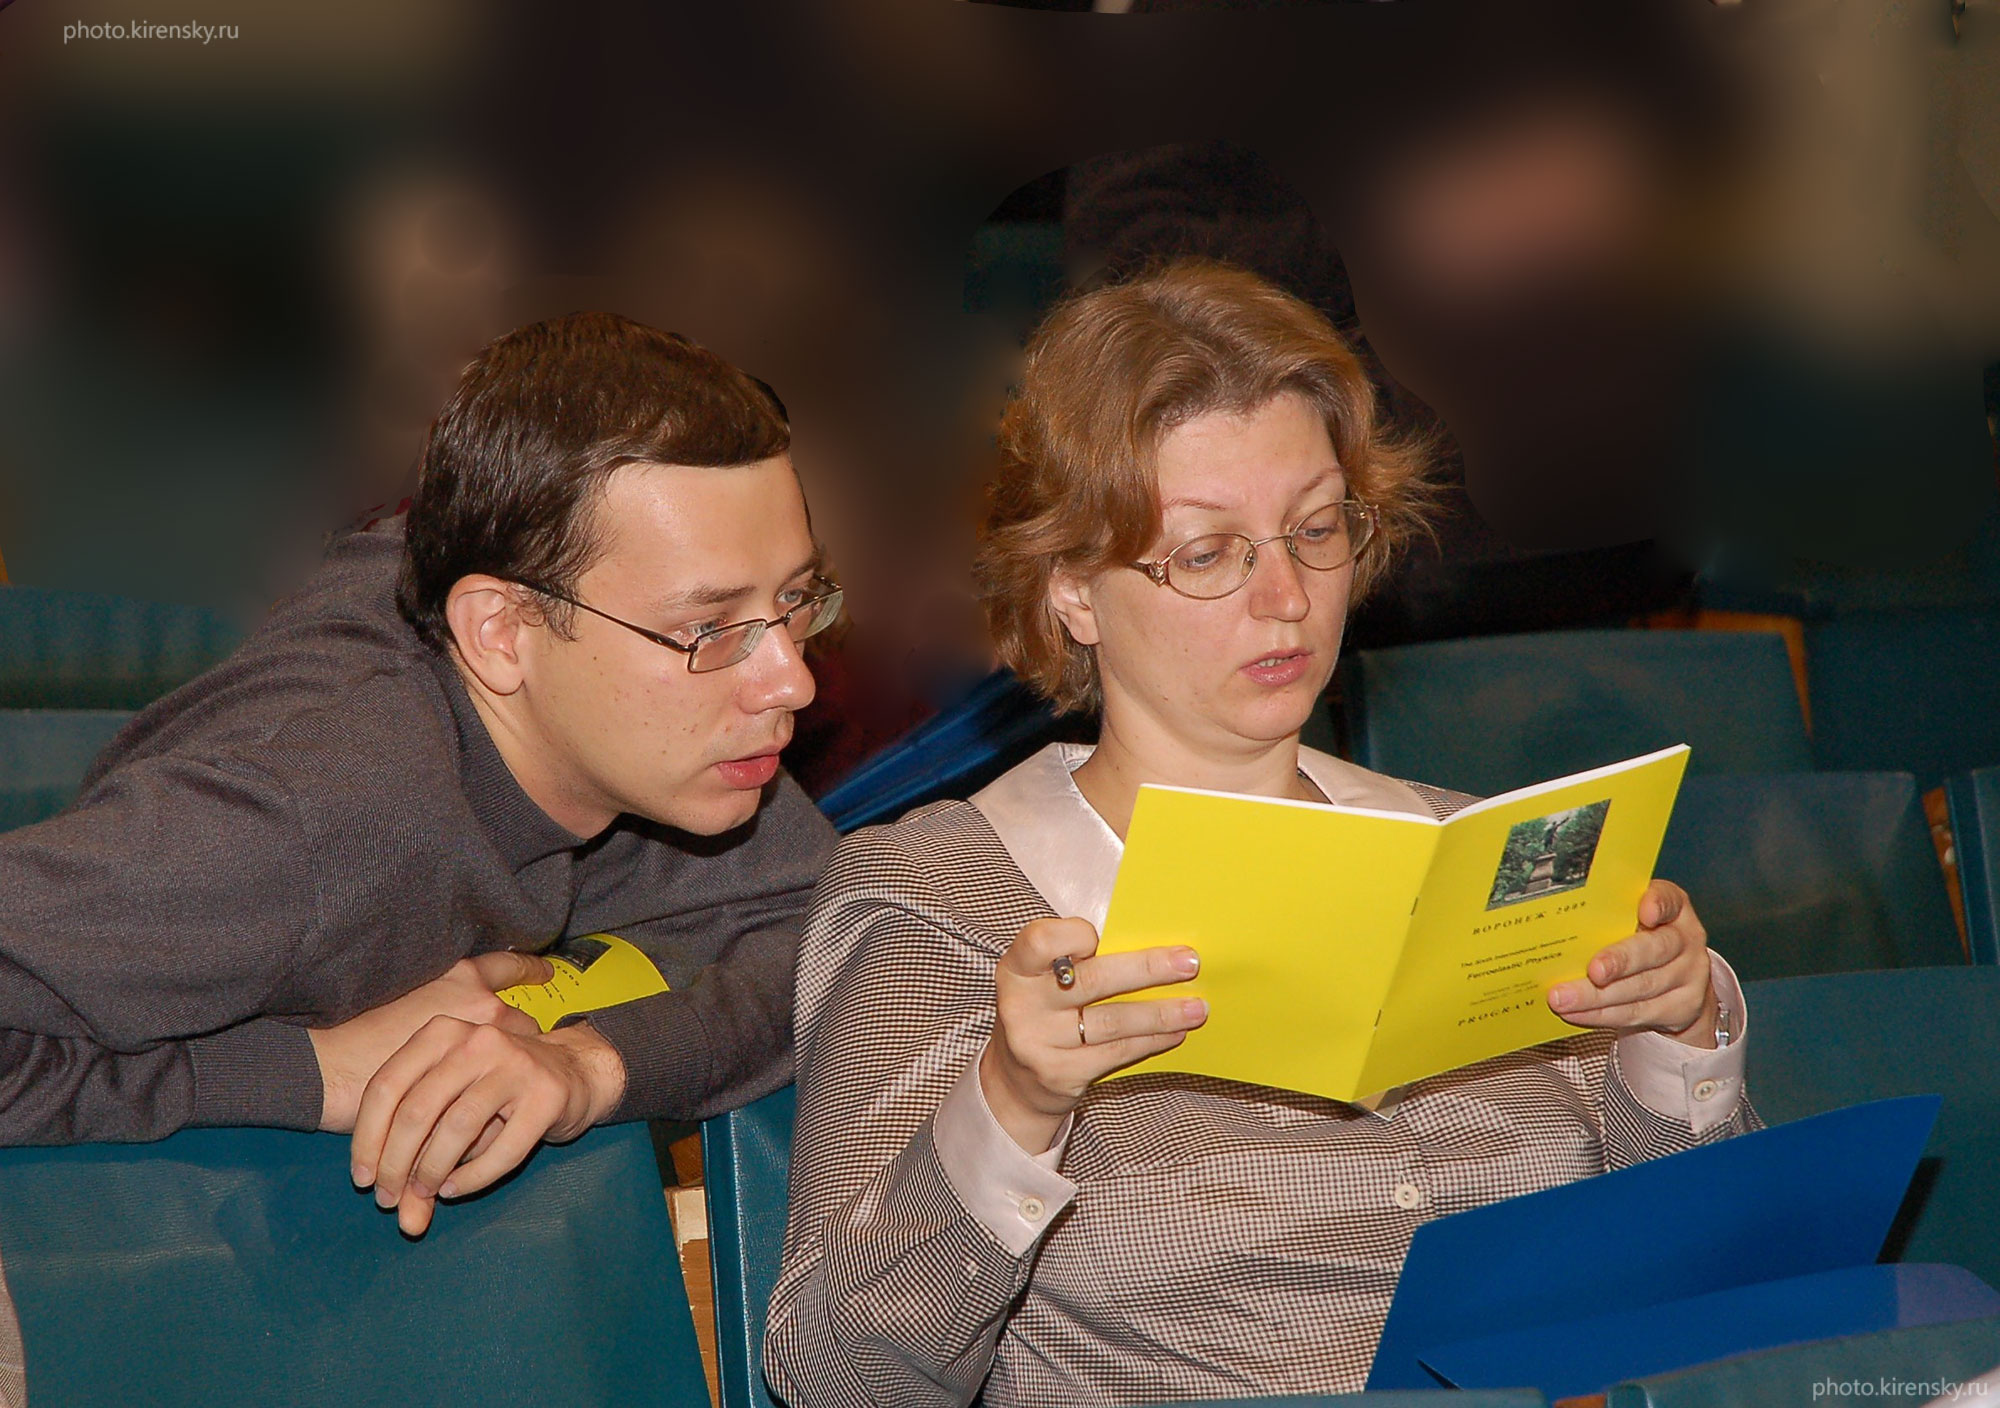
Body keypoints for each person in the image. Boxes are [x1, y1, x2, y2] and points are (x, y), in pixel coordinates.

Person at [764, 260, 1755, 1407]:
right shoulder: (935, 900)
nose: (1284, 596)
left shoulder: (1466, 848)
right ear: (1072, 588)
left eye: (1314, 528)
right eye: (1205, 552)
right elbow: (836, 1377)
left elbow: (1717, 1292)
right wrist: (1010, 1106)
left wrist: (1674, 1038)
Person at [0, 312, 841, 1404]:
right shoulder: (311, 826)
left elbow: (849, 940)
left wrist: (590, 1065)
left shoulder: (638, 732)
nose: (790, 680)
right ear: (499, 632)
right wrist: (308, 1071)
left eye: (796, 601)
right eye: (710, 628)